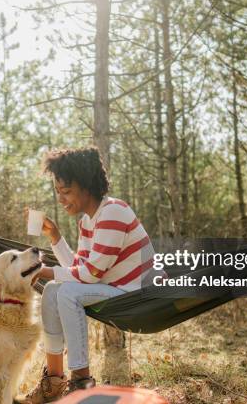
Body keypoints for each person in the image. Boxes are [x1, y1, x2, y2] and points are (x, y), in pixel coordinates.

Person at [15, 147, 155, 403]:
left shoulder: (113, 212)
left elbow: (89, 275)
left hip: (137, 292)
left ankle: (81, 384)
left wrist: (41, 270)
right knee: (53, 289)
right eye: (57, 192)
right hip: (113, 286)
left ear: (86, 186)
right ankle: (54, 382)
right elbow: (78, 267)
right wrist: (55, 237)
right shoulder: (88, 221)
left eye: (66, 191)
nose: (60, 199)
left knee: (66, 291)